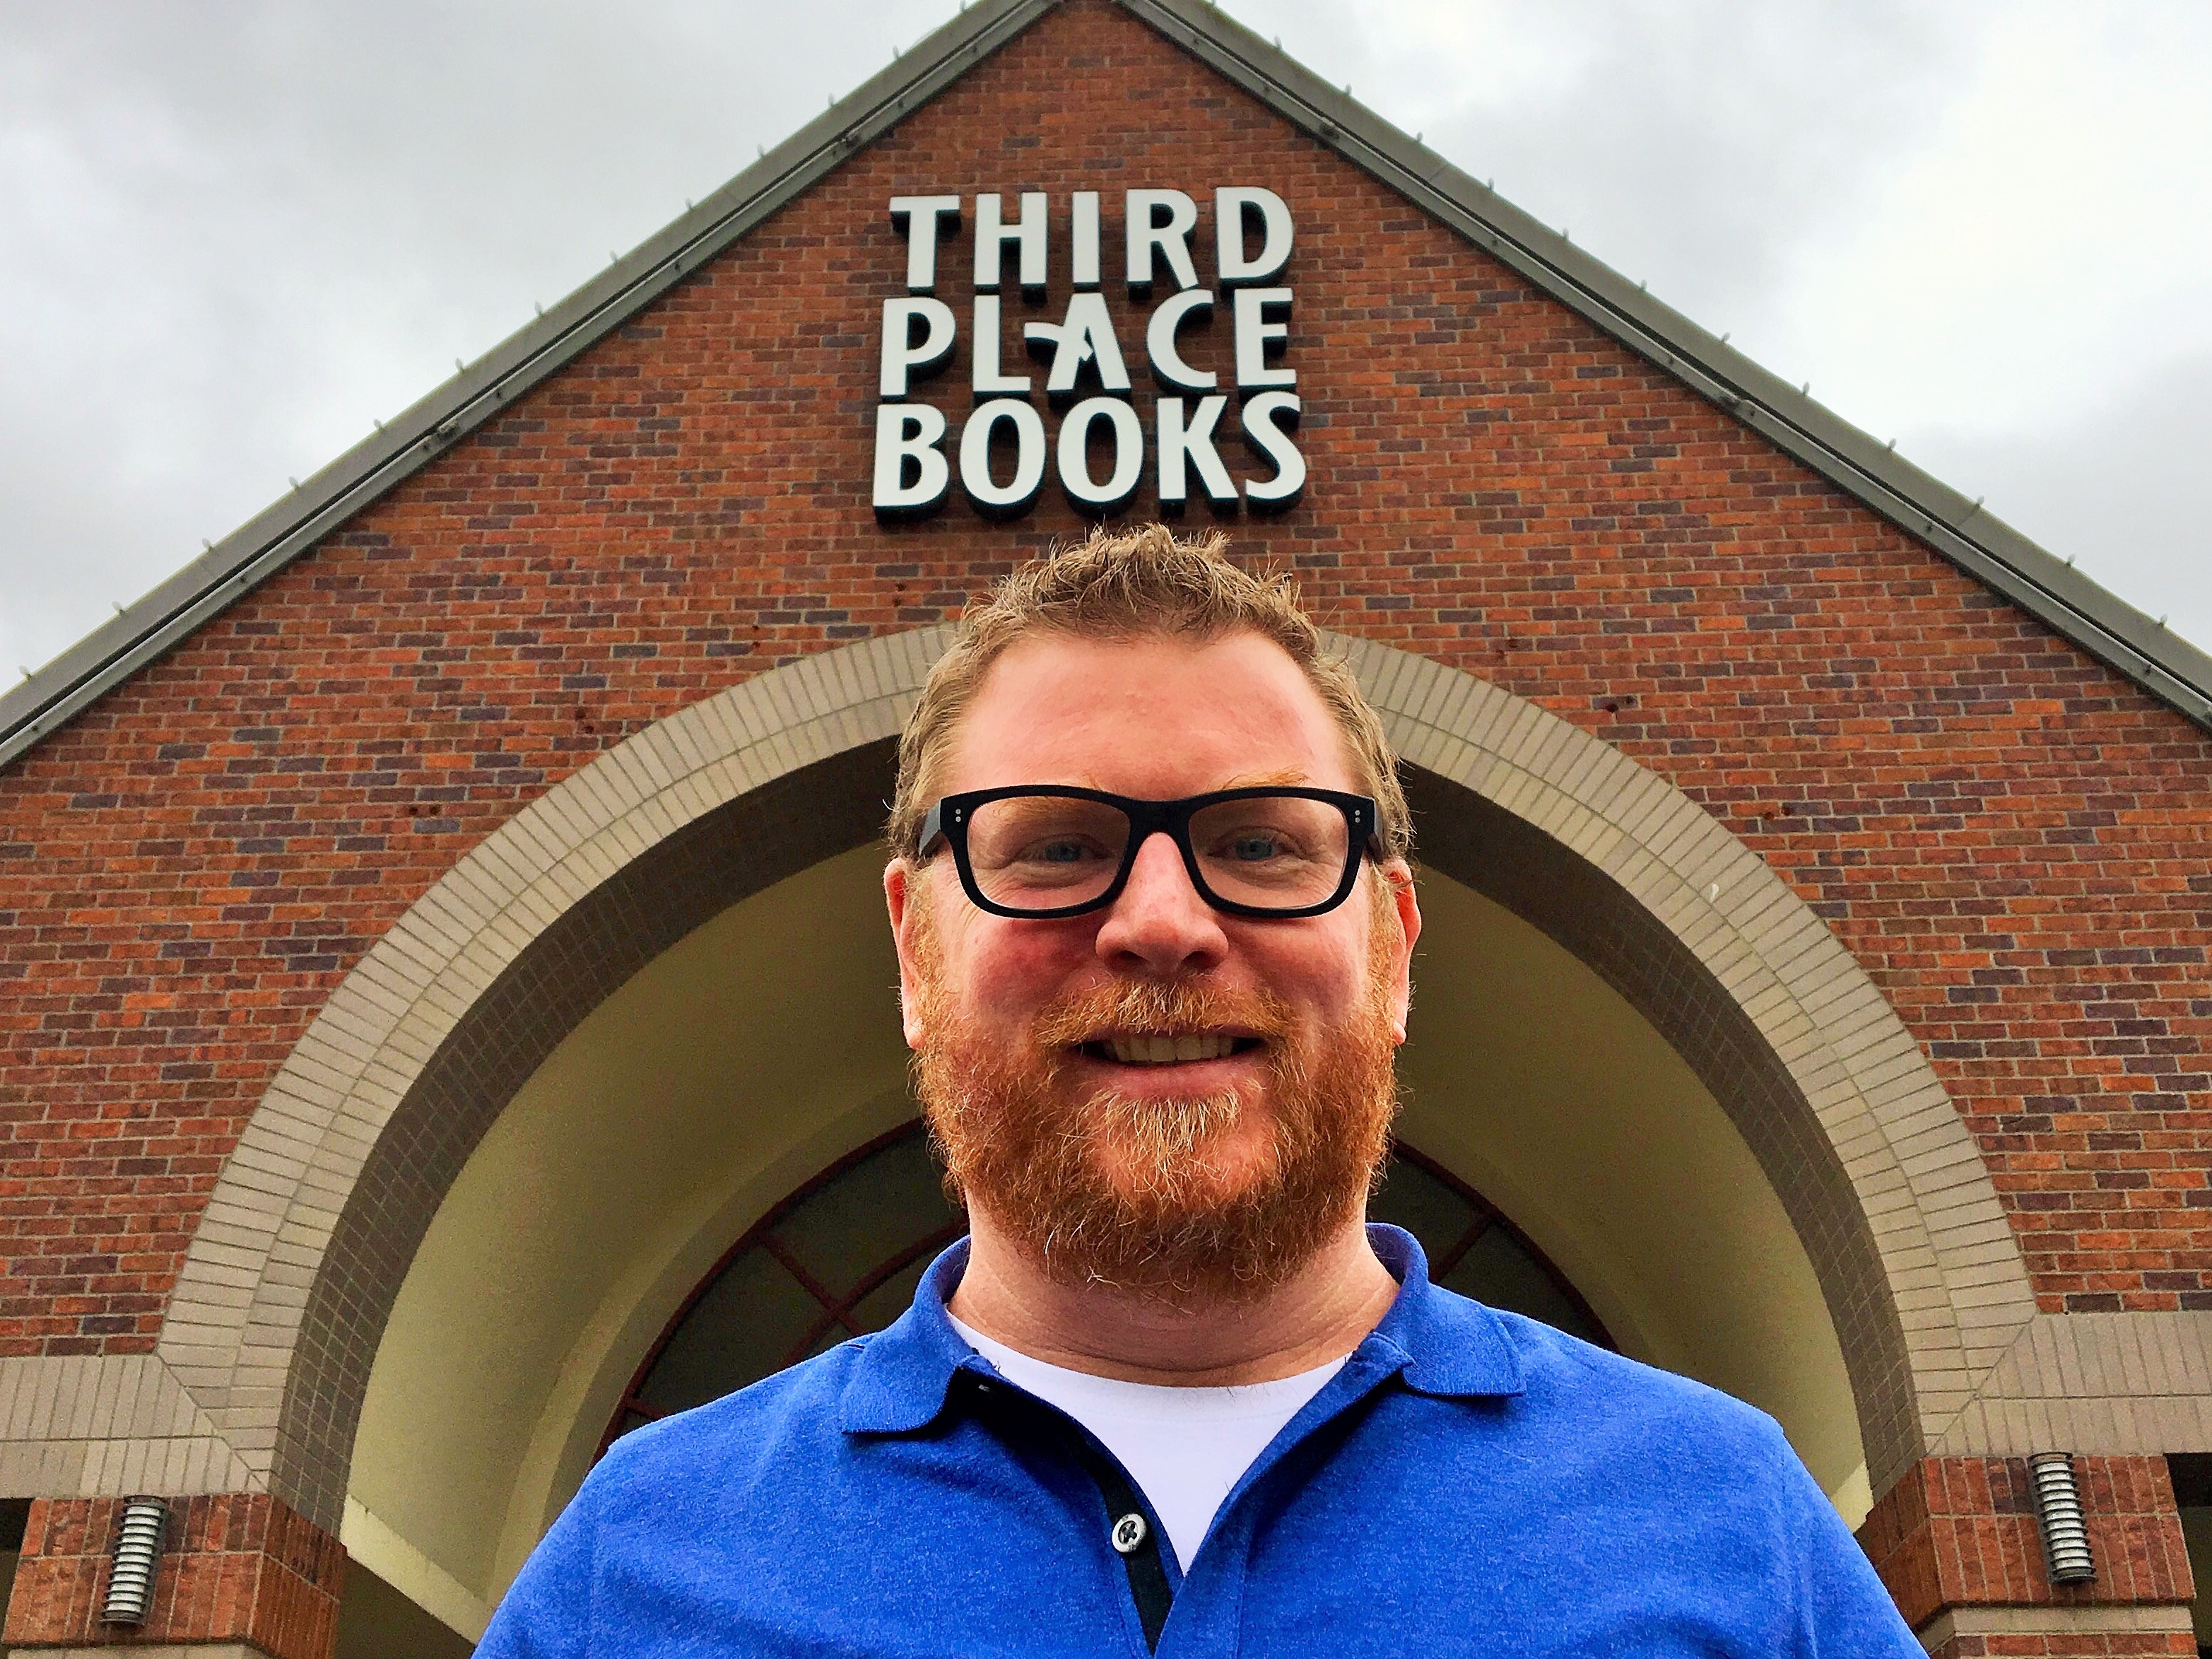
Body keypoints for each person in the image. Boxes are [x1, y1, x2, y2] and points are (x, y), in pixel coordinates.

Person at [477, 526, 1921, 1656]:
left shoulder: (1727, 1521)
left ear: (1392, 944)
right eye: (1047, 846)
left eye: (1260, 843)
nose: (1162, 920)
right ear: (914, 950)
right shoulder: (638, 1563)